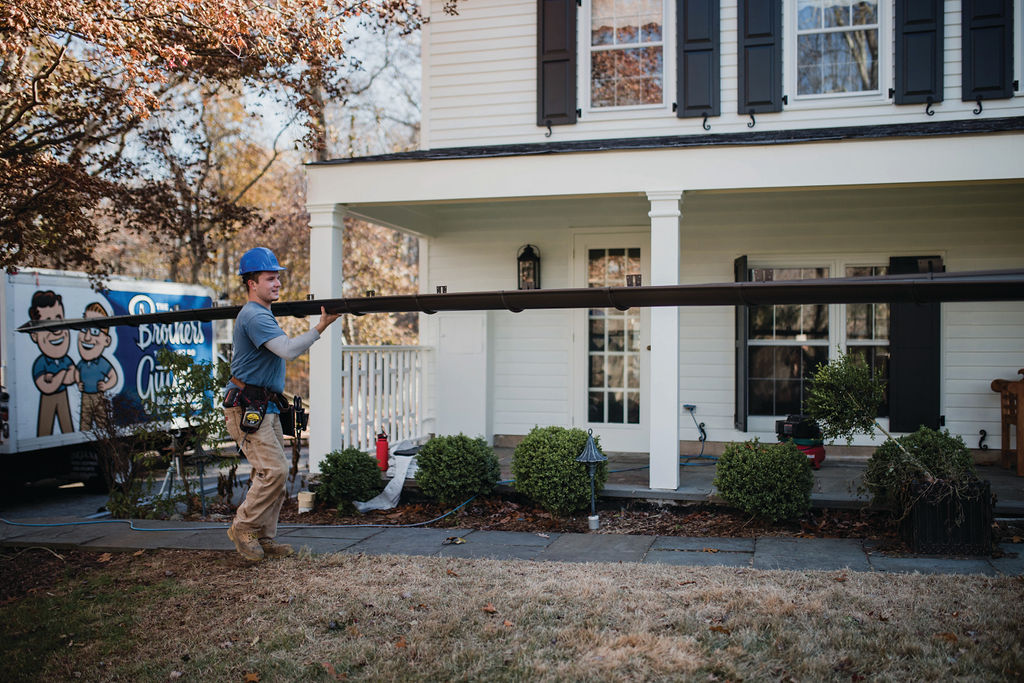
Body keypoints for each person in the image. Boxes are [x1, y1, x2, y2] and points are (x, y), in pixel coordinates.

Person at [224, 247, 339, 561]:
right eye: (270, 278)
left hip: (264, 406)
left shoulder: (262, 313)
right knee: (273, 470)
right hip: (247, 406)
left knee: (275, 471)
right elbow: (287, 350)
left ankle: (264, 537)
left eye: (277, 278)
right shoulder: (254, 315)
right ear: (252, 283)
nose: (277, 283)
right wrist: (321, 326)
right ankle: (244, 527)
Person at [28, 290, 76, 436]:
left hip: (63, 395)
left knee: (67, 424)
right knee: (45, 426)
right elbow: (46, 387)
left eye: (59, 320)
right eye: (48, 323)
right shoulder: (41, 363)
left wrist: (54, 377)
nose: (57, 331)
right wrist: (62, 373)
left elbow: (72, 377)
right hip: (47, 399)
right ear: (34, 335)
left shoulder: (66, 359)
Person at [76, 302, 119, 432]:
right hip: (86, 396)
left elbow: (113, 376)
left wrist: (106, 386)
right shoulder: (82, 363)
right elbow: (76, 372)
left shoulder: (102, 363)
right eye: (84, 329)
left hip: (98, 396)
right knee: (85, 419)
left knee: (101, 419)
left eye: (95, 331)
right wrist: (78, 382)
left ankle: (104, 434)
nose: (87, 337)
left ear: (107, 340)